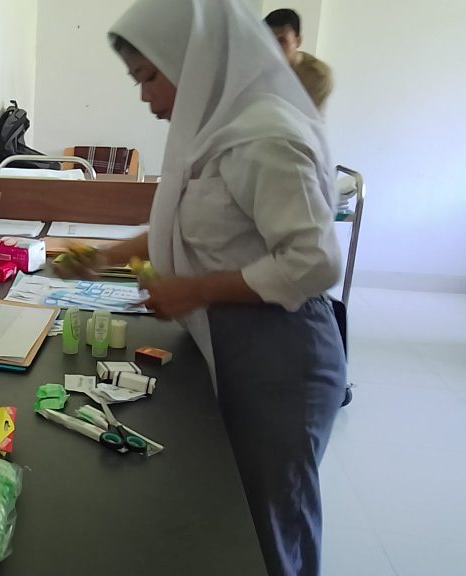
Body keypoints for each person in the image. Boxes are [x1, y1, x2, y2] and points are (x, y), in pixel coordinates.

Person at [56, 1, 346, 574]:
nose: (146, 97)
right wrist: (106, 255)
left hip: (282, 357)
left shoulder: (266, 136)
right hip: (236, 344)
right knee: (230, 521)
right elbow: (192, 226)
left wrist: (195, 291)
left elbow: (315, 261)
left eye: (149, 77)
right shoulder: (215, 131)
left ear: (193, 62)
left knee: (271, 529)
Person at [265, 8, 334, 111]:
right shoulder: (263, 68)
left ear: (298, 41)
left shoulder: (318, 75)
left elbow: (304, 116)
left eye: (282, 41)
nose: (274, 47)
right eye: (269, 40)